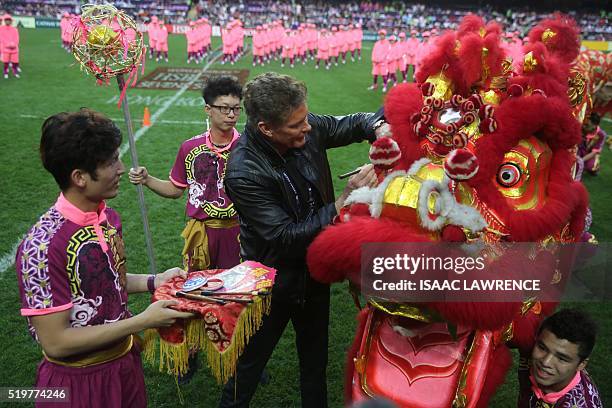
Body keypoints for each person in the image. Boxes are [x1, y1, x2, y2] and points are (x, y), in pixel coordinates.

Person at [220, 72, 381, 407]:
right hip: (270, 284)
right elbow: (284, 237)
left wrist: (378, 128)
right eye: (296, 125)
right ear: (266, 128)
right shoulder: (243, 169)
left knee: (314, 364)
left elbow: (352, 123)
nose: (307, 128)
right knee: (249, 367)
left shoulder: (304, 128)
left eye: (306, 118)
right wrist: (342, 202)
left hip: (314, 273)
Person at [15, 109, 193, 408]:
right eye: (111, 161)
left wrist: (155, 281)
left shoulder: (107, 217)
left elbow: (106, 283)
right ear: (79, 177)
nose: (122, 168)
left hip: (124, 365)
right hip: (74, 383)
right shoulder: (41, 246)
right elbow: (56, 342)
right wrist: (141, 321)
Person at [129, 75, 243, 274]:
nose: (231, 114)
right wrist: (147, 180)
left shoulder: (247, 147)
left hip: (238, 232)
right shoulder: (190, 147)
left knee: (236, 290)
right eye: (224, 108)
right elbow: (175, 189)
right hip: (201, 233)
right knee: (198, 290)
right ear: (208, 109)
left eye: (236, 108)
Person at [518, 308, 602, 407]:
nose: (546, 362)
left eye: (562, 358)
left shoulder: (580, 404)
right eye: (542, 348)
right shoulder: (529, 351)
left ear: (581, 364)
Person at [1, 14, 20, 79]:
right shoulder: (1, 29)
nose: (7, 21)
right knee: (6, 62)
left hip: (14, 49)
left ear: (11, 21)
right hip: (5, 49)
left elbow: (17, 38)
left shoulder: (14, 29)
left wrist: (14, 44)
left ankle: (15, 72)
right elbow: (1, 38)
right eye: (6, 20)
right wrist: (7, 44)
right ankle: (5, 72)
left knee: (15, 62)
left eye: (9, 20)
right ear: (4, 21)